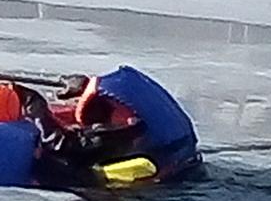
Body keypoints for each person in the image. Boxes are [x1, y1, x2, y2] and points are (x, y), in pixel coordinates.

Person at [55, 65, 201, 178]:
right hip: (185, 170)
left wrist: (36, 108)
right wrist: (87, 87)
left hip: (124, 199)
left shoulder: (109, 138)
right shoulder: (147, 121)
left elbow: (62, 146)